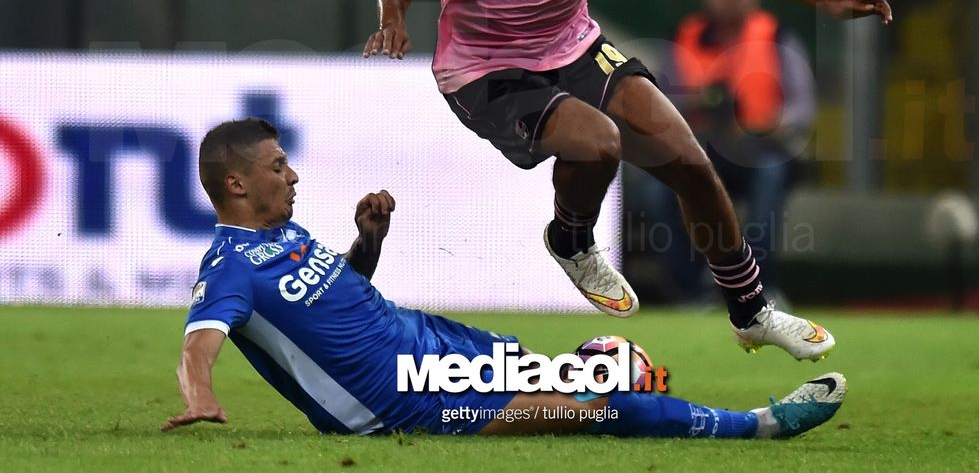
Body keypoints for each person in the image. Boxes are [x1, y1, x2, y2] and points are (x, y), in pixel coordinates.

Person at [362, 0, 901, 359]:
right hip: (485, 67)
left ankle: (751, 312)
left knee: (690, 162)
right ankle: (571, 241)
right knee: (598, 144)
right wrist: (393, 19)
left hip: (573, 45)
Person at [162, 118, 847, 438]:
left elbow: (334, 297)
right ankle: (760, 426)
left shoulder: (283, 234)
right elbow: (200, 342)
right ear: (236, 182)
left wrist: (367, 245)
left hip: (427, 343)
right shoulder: (227, 269)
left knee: (564, 374)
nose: (293, 174)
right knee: (598, 405)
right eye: (278, 166)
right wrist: (201, 397)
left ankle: (593, 368)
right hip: (404, 399)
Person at [659, 0, 817, 300]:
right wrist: (700, 104)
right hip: (699, 148)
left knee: (770, 176)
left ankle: (757, 286)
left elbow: (803, 108)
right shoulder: (682, 37)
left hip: (759, 148)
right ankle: (690, 291)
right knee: (656, 189)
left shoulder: (778, 36)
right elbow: (661, 100)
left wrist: (772, 124)